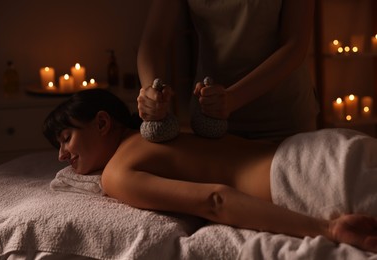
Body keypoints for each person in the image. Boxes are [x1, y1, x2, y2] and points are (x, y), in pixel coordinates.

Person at [43, 89, 377, 253]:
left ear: (102, 122)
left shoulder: (117, 173)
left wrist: (329, 229)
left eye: (66, 138)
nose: (61, 155)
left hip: (307, 180)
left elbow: (214, 200)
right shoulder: (169, 130)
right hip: (326, 147)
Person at [137, 0, 319, 142]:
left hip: (281, 117)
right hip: (211, 120)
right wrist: (150, 92)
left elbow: (294, 46)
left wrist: (233, 98)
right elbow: (154, 41)